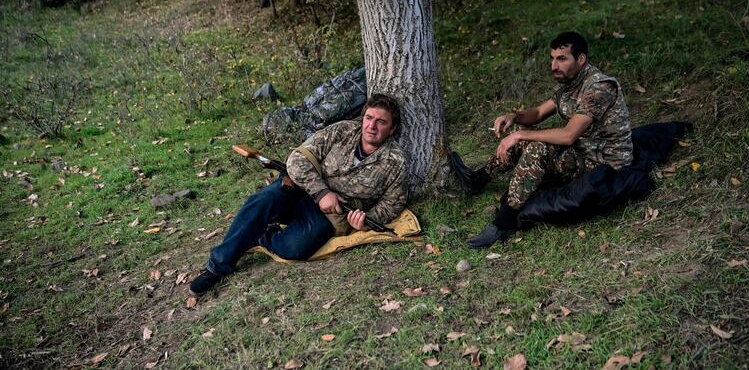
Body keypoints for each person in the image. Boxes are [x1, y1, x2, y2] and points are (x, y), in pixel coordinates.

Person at [190, 93, 408, 295]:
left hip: (330, 215)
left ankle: (263, 235)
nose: (372, 126)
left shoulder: (395, 161)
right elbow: (298, 158)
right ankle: (217, 267)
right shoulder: (341, 131)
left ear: (392, 128)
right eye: (369, 118)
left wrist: (367, 221)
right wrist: (322, 192)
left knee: (292, 249)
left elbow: (392, 203)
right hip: (302, 189)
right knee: (261, 202)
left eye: (381, 122)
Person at [452, 31, 633, 248]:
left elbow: (568, 135)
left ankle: (504, 221)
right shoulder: (571, 82)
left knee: (537, 147)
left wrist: (520, 134)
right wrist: (514, 117)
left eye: (562, 59)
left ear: (581, 59)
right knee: (524, 136)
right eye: (552, 58)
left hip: (604, 163)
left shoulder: (599, 87)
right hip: (581, 151)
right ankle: (477, 181)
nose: (554, 66)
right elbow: (538, 113)